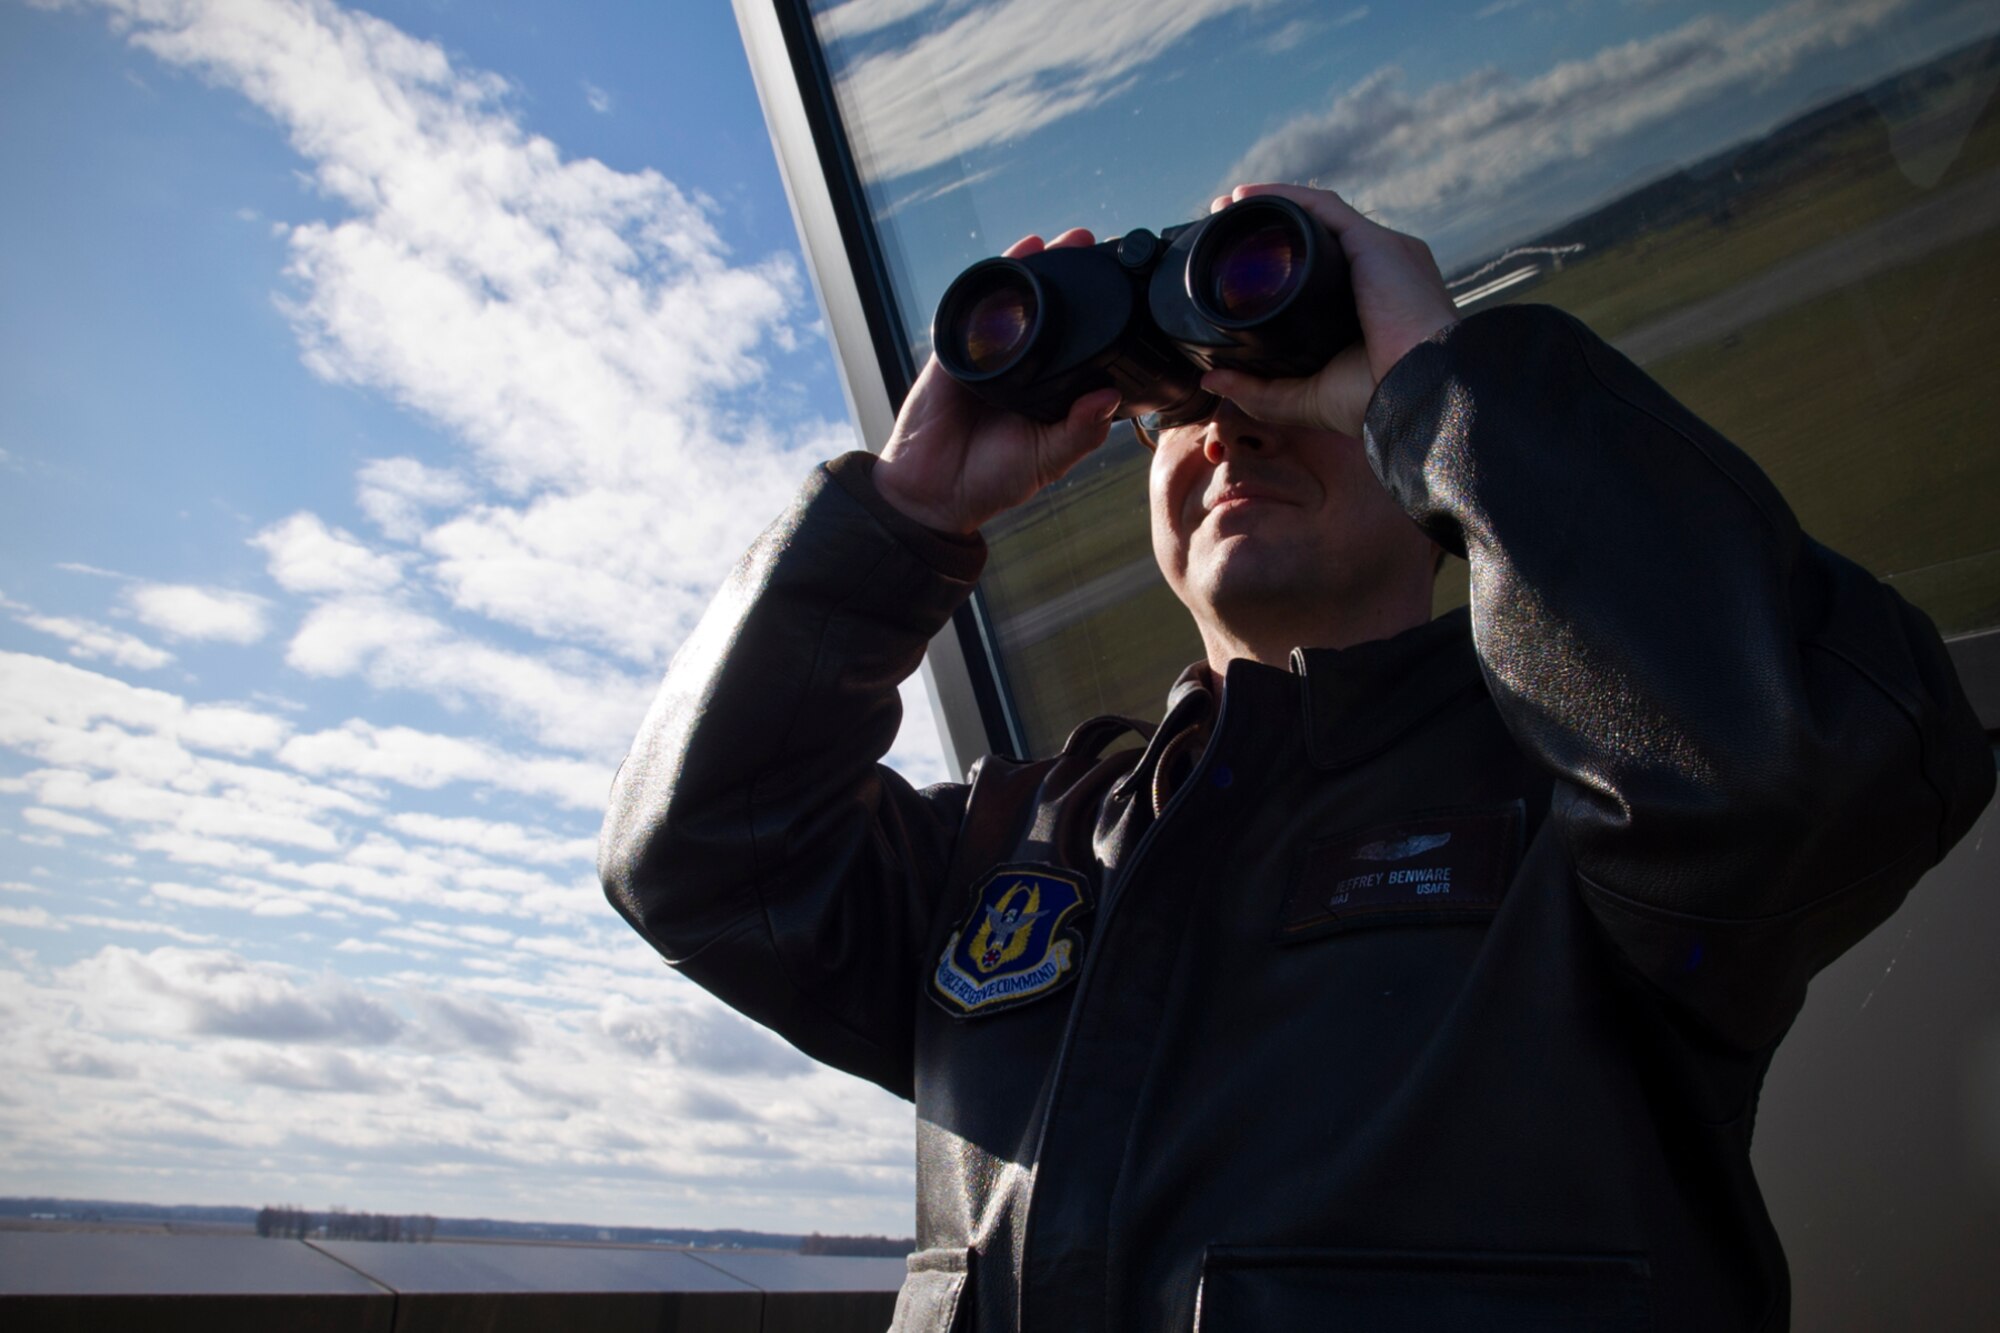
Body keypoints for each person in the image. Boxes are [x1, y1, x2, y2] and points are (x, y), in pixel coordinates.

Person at [599, 184, 1993, 1332]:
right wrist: (902, 513)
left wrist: (1443, 383)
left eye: (1285, 389)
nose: (1233, 427)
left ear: (1425, 467)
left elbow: (1812, 760)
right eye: (1185, 408)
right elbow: (701, 859)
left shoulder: (1592, 805)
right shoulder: (1018, 844)